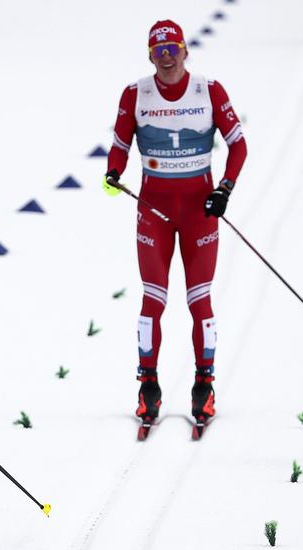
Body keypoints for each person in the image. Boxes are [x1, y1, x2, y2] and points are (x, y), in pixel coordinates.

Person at [104, 20, 247, 426]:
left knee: (199, 301)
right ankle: (148, 386)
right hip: (153, 211)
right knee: (153, 300)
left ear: (185, 51)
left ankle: (205, 385)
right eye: (158, 52)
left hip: (200, 212)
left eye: (173, 50)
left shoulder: (209, 89)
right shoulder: (136, 93)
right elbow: (119, 143)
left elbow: (238, 144)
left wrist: (225, 190)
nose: (166, 58)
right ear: (150, 55)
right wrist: (113, 172)